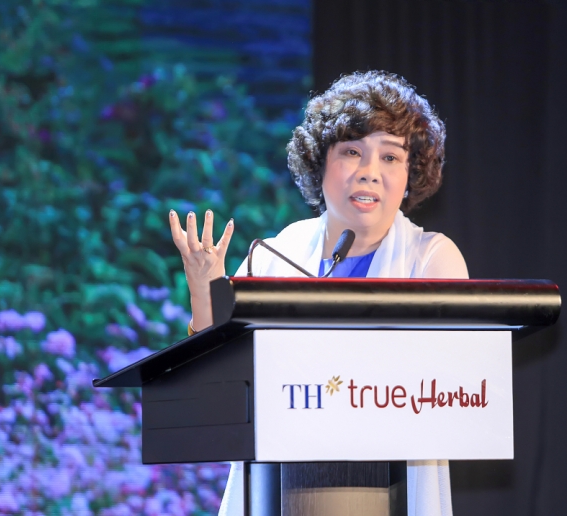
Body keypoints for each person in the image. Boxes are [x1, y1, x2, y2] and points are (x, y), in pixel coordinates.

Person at [169, 70, 468, 516]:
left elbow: (450, 392)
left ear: (411, 174)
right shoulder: (275, 254)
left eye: (390, 157)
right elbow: (217, 386)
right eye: (352, 152)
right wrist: (203, 290)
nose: (370, 173)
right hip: (277, 490)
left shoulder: (431, 260)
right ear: (319, 163)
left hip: (389, 490)